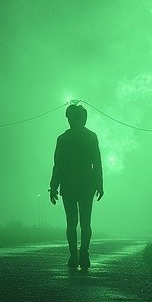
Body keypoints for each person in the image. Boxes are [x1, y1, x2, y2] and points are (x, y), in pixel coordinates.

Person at [48, 103, 104, 271]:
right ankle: (84, 254)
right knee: (86, 222)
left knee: (71, 223)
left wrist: (53, 186)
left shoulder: (63, 139)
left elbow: (57, 165)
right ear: (81, 118)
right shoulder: (91, 137)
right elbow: (97, 163)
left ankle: (74, 255)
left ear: (70, 119)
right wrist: (99, 183)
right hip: (87, 184)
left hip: (69, 185)